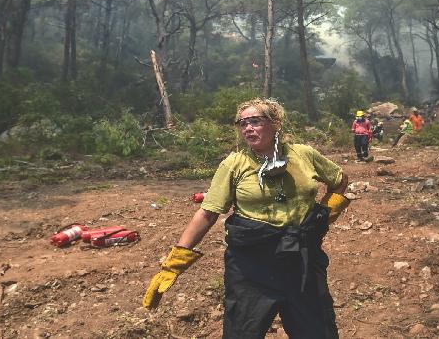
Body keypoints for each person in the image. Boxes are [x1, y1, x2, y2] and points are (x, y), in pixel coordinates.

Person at [142, 98, 352, 338]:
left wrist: (324, 215)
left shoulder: (303, 154)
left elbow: (339, 180)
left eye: (255, 121)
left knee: (317, 331)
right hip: (252, 267)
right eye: (242, 124)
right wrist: (175, 263)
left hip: (301, 260)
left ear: (275, 124)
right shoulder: (234, 164)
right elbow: (208, 213)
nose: (247, 128)